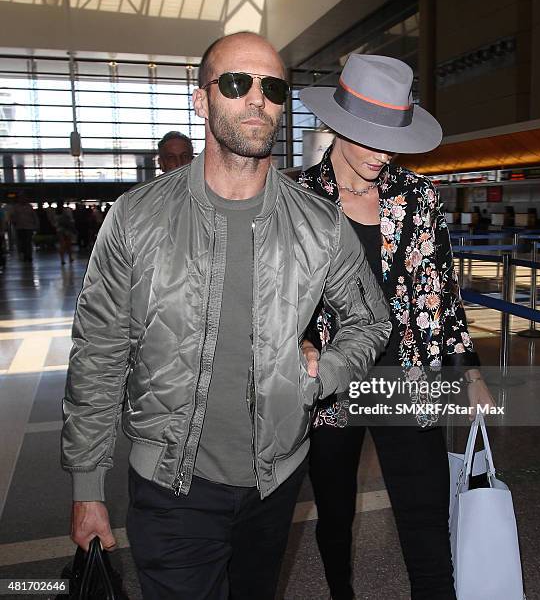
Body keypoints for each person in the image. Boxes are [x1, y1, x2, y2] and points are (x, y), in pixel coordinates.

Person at [61, 33, 391, 600]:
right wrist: (88, 486)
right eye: (237, 83)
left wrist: (326, 371)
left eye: (273, 87)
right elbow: (99, 351)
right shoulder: (136, 219)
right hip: (170, 484)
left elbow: (371, 321)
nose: (257, 99)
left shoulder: (320, 225)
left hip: (276, 481)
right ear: (201, 100)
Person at [298, 55, 495, 600]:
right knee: (334, 513)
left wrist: (469, 373)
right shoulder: (299, 202)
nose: (384, 154)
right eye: (370, 138)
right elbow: (279, 297)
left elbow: (441, 295)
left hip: (407, 379)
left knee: (426, 515)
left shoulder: (418, 199)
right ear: (337, 126)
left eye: (393, 141)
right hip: (333, 385)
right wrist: (301, 342)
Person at [9, 192, 39, 263]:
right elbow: (12, 216)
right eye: (21, 198)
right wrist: (13, 222)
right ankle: (24, 254)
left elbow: (34, 216)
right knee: (22, 242)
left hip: (29, 227)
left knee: (28, 242)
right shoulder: (15, 207)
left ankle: (28, 256)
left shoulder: (30, 206)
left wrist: (36, 225)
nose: (22, 199)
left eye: (24, 197)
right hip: (19, 227)